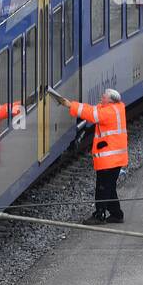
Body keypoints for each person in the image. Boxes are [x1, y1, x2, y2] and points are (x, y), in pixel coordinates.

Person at [52, 87, 128, 224]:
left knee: (102, 188)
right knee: (109, 187)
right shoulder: (115, 108)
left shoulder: (109, 112)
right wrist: (72, 105)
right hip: (114, 159)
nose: (101, 97)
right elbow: (92, 109)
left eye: (104, 96)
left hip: (110, 159)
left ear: (110, 101)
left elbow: (92, 114)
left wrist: (70, 105)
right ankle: (117, 214)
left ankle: (99, 215)